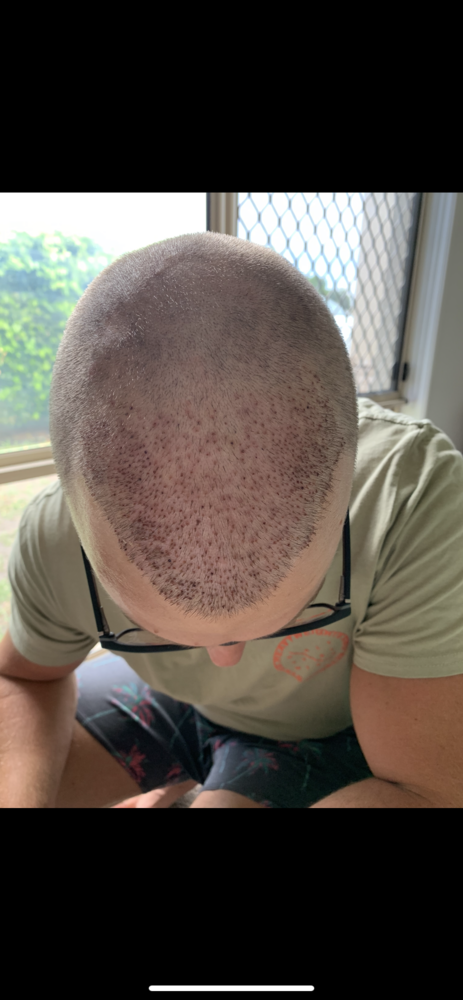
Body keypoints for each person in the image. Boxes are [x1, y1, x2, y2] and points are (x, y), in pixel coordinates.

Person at [1, 231, 463, 809]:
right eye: (153, 630)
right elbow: (24, 676)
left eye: (298, 613)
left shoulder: (410, 497)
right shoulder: (53, 535)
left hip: (338, 729)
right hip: (171, 705)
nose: (223, 661)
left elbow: (425, 789)